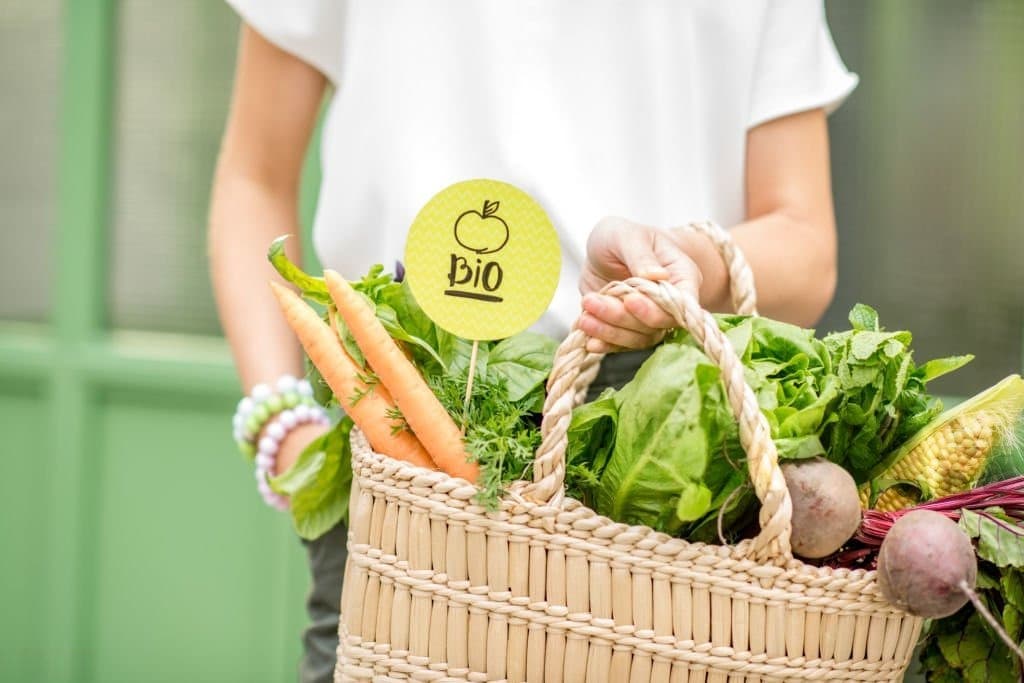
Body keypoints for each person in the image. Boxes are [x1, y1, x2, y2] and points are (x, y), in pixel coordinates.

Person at [208, 2, 856, 680]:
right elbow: (256, 177)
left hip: (658, 443)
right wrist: (280, 420)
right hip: (402, 418)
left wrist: (681, 263)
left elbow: (806, 245)